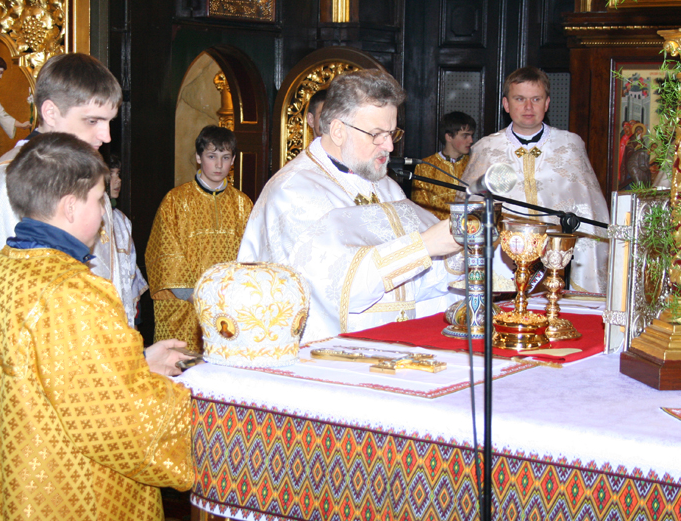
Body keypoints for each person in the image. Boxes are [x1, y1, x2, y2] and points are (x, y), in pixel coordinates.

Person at [0, 132, 194, 521]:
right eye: (98, 200)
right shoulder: (74, 291)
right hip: (69, 495)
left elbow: (56, 378)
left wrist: (137, 363)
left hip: (10, 483)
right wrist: (197, 406)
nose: (104, 212)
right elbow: (116, 420)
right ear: (70, 206)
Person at [0, 53, 138, 521]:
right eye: (93, 121)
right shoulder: (4, 188)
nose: (106, 137)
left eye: (110, 122)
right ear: (50, 113)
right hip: (24, 405)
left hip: (88, 389)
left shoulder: (85, 182)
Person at [238, 69, 463, 343]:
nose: (389, 146)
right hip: (324, 353)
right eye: (377, 134)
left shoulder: (386, 187)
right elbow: (337, 288)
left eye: (392, 133)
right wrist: (423, 246)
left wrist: (466, 250)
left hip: (392, 347)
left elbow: (415, 285)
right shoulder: (293, 191)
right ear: (338, 130)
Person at [461, 66, 609, 294]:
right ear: (506, 104)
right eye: (519, 99)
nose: (528, 107)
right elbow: (469, 209)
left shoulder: (570, 145)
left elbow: (590, 209)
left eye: (536, 99)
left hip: (557, 260)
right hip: (501, 260)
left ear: (547, 103)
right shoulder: (486, 148)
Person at [146, 126, 253, 352]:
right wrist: (197, 297)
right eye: (211, 156)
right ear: (198, 157)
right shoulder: (175, 201)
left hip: (229, 307)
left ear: (233, 160)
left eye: (225, 157)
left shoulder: (243, 204)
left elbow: (252, 255)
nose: (218, 165)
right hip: (185, 307)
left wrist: (230, 297)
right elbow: (166, 256)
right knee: (182, 366)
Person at [108, 154, 149, 324]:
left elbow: (130, 270)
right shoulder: (89, 219)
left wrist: (135, 321)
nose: (118, 180)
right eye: (111, 174)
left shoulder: (122, 220)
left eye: (118, 174)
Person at [412, 111, 476, 220]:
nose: (471, 140)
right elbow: (420, 209)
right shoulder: (425, 166)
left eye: (471, 135)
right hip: (435, 227)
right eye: (465, 136)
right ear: (449, 137)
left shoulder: (474, 165)